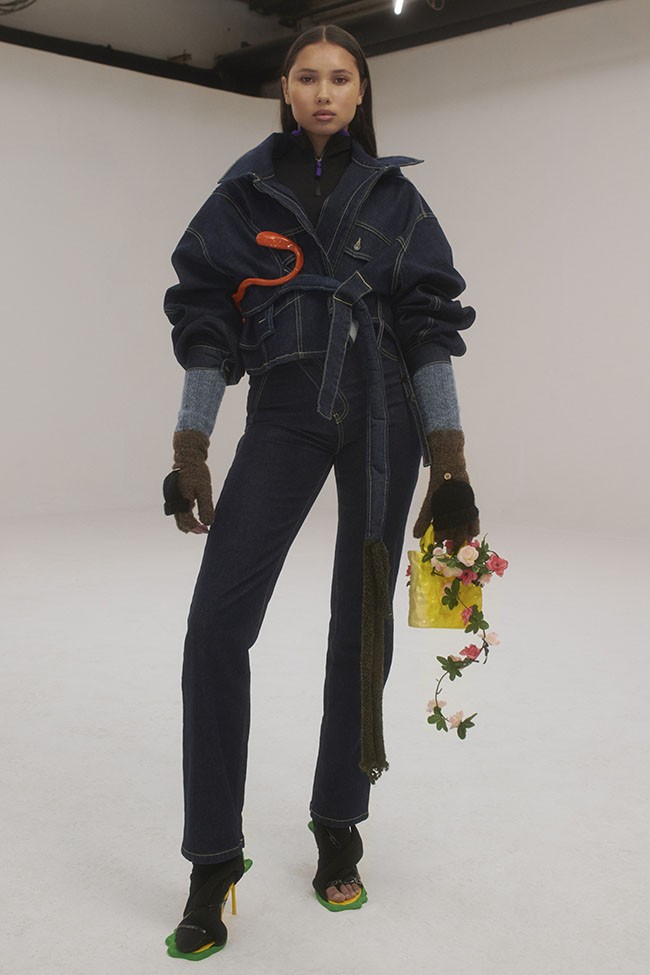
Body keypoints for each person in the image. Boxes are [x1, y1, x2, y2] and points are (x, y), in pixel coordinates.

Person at [162, 24, 479, 958]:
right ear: (287, 89)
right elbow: (207, 322)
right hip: (287, 409)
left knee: (362, 619)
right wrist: (191, 446)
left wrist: (451, 464)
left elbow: (429, 327)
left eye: (342, 77)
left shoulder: (396, 197)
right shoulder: (240, 196)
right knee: (217, 625)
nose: (326, 91)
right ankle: (213, 859)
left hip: (384, 414)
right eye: (309, 76)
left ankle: (339, 822)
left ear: (362, 90)